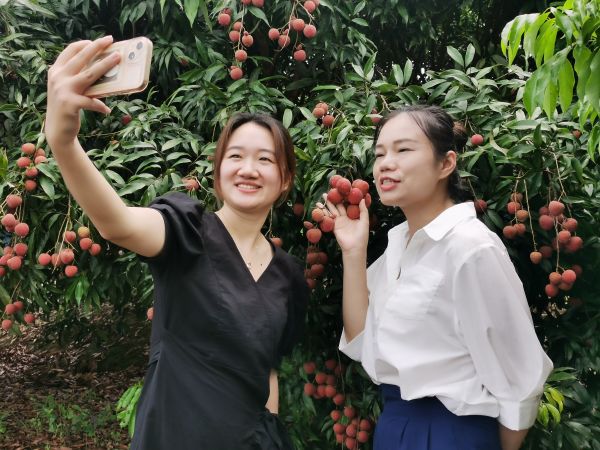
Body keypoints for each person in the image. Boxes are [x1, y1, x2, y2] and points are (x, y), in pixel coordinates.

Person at [45, 36, 308, 449]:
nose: (248, 169)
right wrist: (63, 142)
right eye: (235, 156)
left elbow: (268, 366)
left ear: (285, 178)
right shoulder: (188, 229)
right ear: (218, 170)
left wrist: (271, 428)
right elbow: (118, 223)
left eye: (265, 159)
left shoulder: (288, 274)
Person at [327, 105, 553, 450]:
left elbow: (521, 380)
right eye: (380, 153)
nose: (385, 163)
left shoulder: (470, 247)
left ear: (446, 164)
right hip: (395, 428)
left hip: (451, 433)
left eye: (403, 150)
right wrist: (353, 252)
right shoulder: (400, 246)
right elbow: (360, 340)